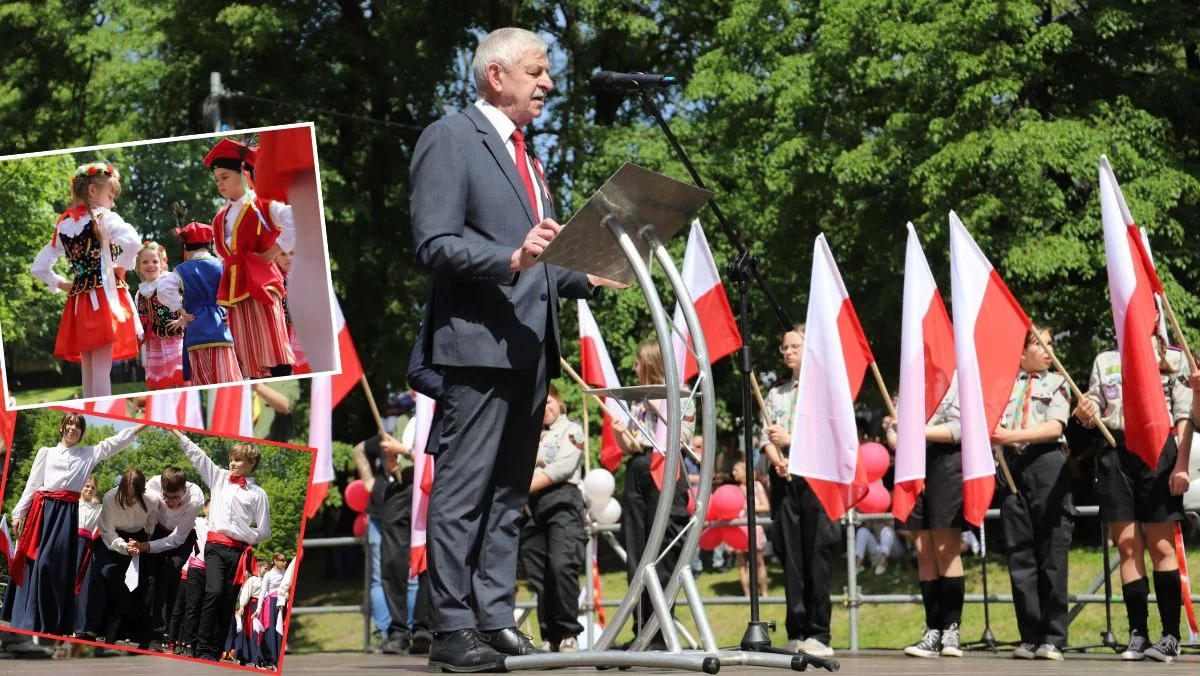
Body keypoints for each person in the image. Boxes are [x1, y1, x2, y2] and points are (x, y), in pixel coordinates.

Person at [409, 26, 618, 672]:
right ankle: (450, 626)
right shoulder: (449, 138)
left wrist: (587, 276)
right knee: (464, 491)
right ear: (495, 76)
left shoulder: (530, 159)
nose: (548, 83)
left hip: (530, 352)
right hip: (476, 349)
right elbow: (434, 242)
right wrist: (511, 256)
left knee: (506, 496)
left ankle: (494, 617)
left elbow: (543, 260)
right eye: (536, 71)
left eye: (546, 72)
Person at [1074, 328, 1194, 662]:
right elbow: (1095, 406)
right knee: (1127, 546)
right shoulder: (1106, 359)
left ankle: (1170, 635)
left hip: (1158, 450)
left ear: (1154, 313)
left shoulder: (1173, 357)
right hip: (1115, 449)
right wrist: (1085, 410)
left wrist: (1180, 464)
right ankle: (1138, 633)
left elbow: (1184, 416)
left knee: (1160, 545)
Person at [3, 415, 144, 635]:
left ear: (82, 432)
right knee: (36, 563)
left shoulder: (88, 454)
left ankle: (52, 623)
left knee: (52, 566)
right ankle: (30, 621)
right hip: (44, 511)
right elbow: (32, 485)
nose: (73, 429)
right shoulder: (46, 453)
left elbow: (114, 443)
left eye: (78, 426)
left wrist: (141, 427)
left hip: (67, 513)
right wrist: (19, 512)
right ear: (61, 427)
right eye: (69, 424)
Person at [993, 326, 1074, 661]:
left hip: (1046, 463)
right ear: (1021, 351)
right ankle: (1029, 634)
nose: (1048, 350)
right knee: (1020, 552)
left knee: (1052, 552)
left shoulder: (1057, 382)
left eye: (1051, 344)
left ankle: (1053, 637)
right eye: (1039, 344)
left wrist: (1008, 437)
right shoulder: (1002, 385)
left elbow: (1055, 427)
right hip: (1012, 468)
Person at [758, 326, 837, 658]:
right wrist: (778, 460)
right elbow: (766, 436)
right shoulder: (777, 392)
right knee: (791, 555)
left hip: (814, 476)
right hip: (784, 477)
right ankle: (797, 628)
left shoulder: (823, 391)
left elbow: (829, 434)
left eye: (794, 346)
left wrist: (793, 446)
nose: (788, 352)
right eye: (784, 347)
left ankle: (820, 632)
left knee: (815, 553)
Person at [30, 162, 141, 397]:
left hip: (79, 302)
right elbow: (132, 242)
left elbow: (38, 267)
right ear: (92, 191)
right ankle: (100, 413)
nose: (113, 203)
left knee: (89, 371)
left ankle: (92, 411)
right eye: (110, 196)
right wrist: (121, 268)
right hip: (103, 296)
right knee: (102, 369)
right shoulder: (105, 218)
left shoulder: (64, 225)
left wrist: (60, 283)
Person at [611, 341, 695, 648]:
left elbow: (681, 436)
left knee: (662, 553)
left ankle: (660, 632)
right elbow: (632, 444)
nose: (634, 368)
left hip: (666, 467)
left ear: (651, 364)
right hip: (638, 468)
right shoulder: (637, 399)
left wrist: (658, 405)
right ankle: (639, 631)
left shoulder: (681, 394)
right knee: (637, 552)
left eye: (638, 363)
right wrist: (622, 432)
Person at [174, 429, 272, 662]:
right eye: (231, 458)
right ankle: (201, 645)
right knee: (214, 591)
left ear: (251, 463)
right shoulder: (218, 478)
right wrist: (179, 435)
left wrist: (246, 535)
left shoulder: (258, 494)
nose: (232, 463)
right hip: (215, 547)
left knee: (228, 600)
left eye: (238, 460)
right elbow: (198, 456)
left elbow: (265, 531)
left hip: (238, 552)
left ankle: (215, 651)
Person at [203, 137, 296, 379]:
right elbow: (221, 252)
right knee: (247, 349)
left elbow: (297, 219)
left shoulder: (263, 206)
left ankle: (281, 381)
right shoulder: (219, 217)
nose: (220, 184)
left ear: (243, 174)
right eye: (217, 179)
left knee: (272, 343)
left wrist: (273, 251)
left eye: (225, 176)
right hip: (235, 286)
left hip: (261, 281)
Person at [895, 376, 966, 659]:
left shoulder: (958, 378)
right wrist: (897, 432)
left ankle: (951, 628)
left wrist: (916, 430)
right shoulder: (911, 379)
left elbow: (959, 428)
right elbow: (895, 430)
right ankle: (932, 629)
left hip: (946, 462)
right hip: (912, 464)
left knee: (944, 548)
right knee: (923, 549)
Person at [519, 385, 587, 652]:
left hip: (562, 501)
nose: (545, 408)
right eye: (540, 404)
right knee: (538, 575)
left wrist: (521, 487)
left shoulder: (571, 429)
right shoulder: (529, 435)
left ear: (559, 401)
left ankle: (569, 632)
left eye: (548, 402)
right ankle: (550, 635)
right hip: (532, 508)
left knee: (561, 566)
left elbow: (562, 467)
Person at [351, 431, 413, 654]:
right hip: (380, 509)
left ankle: (410, 631)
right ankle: (389, 632)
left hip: (409, 505)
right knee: (381, 576)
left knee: (410, 575)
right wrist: (368, 480)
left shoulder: (423, 425)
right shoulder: (389, 431)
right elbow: (359, 450)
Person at [157, 222, 242, 384]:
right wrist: (233, 312)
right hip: (221, 327)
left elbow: (162, 289)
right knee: (228, 379)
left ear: (187, 247)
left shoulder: (181, 270)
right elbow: (238, 290)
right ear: (208, 245)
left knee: (203, 380)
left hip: (195, 329)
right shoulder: (222, 266)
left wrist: (180, 309)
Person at [91, 469, 164, 652]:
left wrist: (144, 541)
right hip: (113, 540)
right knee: (109, 577)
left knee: (132, 589)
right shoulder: (109, 498)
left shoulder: (151, 499)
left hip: (139, 539)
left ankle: (120, 633)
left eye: (134, 497)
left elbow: (151, 519)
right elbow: (106, 531)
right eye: (126, 496)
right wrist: (123, 546)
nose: (130, 500)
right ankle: (95, 630)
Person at [139, 467, 206, 651]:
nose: (171, 502)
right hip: (158, 529)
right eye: (166, 497)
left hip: (181, 536)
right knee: (151, 580)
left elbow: (177, 538)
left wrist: (149, 547)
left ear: (184, 490)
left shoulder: (195, 497)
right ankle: (146, 633)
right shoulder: (152, 485)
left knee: (171, 570)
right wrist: (147, 541)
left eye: (176, 497)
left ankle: (161, 633)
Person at [134, 241, 185, 389]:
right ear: (139, 267)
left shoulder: (169, 283)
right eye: (145, 262)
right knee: (161, 383)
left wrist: (182, 320)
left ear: (162, 264)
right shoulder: (140, 293)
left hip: (174, 339)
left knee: (179, 376)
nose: (150, 265)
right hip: (154, 343)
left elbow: (185, 302)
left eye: (155, 261)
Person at [175, 502, 211, 657]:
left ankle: (198, 644)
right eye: (212, 506)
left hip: (212, 571)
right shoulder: (197, 522)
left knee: (205, 608)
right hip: (195, 567)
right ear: (205, 508)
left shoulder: (221, 527)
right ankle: (186, 642)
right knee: (192, 606)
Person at [729, 460, 769, 597]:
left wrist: (748, 507)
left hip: (753, 527)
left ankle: (764, 593)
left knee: (759, 562)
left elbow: (766, 506)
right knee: (741, 563)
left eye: (736, 470)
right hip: (738, 528)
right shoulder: (733, 490)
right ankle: (747, 595)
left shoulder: (757, 486)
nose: (733, 473)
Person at [73, 475, 103, 637]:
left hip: (86, 546)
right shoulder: (74, 503)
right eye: (87, 486)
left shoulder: (98, 509)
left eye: (92, 487)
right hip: (71, 543)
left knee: (82, 586)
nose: (89, 489)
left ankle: (78, 625)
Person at [257, 553, 287, 669]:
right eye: (281, 560)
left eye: (285, 561)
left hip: (283, 602)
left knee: (282, 628)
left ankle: (280, 655)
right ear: (274, 561)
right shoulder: (268, 575)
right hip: (272, 603)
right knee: (271, 629)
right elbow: (263, 592)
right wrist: (259, 608)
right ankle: (271, 657)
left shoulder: (285, 573)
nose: (284, 563)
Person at [232, 559, 263, 667]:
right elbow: (246, 592)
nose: (266, 570)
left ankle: (258, 658)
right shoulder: (252, 580)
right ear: (259, 568)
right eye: (265, 567)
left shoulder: (266, 580)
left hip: (262, 606)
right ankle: (245, 657)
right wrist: (242, 606)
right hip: (252, 606)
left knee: (259, 632)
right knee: (250, 631)